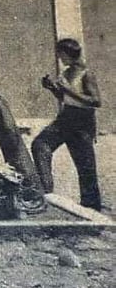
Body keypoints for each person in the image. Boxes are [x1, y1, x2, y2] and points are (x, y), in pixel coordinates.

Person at [32, 38, 102, 210]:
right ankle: (46, 193)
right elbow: (65, 98)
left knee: (84, 164)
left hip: (82, 121)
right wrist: (51, 88)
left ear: (67, 54)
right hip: (66, 117)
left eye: (61, 54)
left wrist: (67, 89)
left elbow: (95, 101)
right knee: (40, 144)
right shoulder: (67, 72)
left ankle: (92, 205)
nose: (60, 58)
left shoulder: (86, 74)